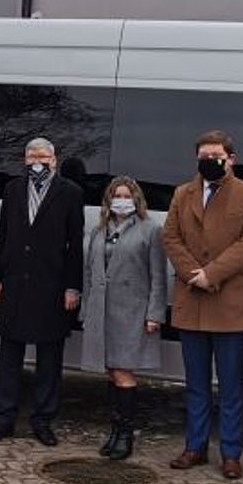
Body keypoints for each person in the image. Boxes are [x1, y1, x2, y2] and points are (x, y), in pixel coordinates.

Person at [160, 130, 243, 480]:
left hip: (230, 303)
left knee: (231, 386)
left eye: (216, 154)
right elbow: (170, 238)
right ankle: (195, 447)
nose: (210, 159)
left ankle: (231, 453)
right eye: (204, 154)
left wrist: (212, 274)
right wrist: (194, 273)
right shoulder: (182, 193)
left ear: (231, 158)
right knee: (196, 383)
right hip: (191, 300)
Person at [0, 137, 85, 447]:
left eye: (43, 156)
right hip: (14, 281)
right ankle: (4, 418)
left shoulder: (70, 192)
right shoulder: (14, 189)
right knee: (9, 356)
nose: (37, 161)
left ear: (54, 159)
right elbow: (2, 236)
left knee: (49, 360)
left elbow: (74, 245)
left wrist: (72, 286)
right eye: (31, 156)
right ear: (24, 160)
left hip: (51, 285)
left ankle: (43, 420)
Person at [80, 176, 167, 460]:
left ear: (137, 199)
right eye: (116, 195)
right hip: (101, 310)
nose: (121, 200)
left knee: (123, 371)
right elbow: (89, 274)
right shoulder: (98, 230)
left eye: (127, 196)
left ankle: (125, 436)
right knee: (110, 370)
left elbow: (158, 276)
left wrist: (155, 313)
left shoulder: (150, 230)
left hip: (131, 312)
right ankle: (114, 433)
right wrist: (86, 310)